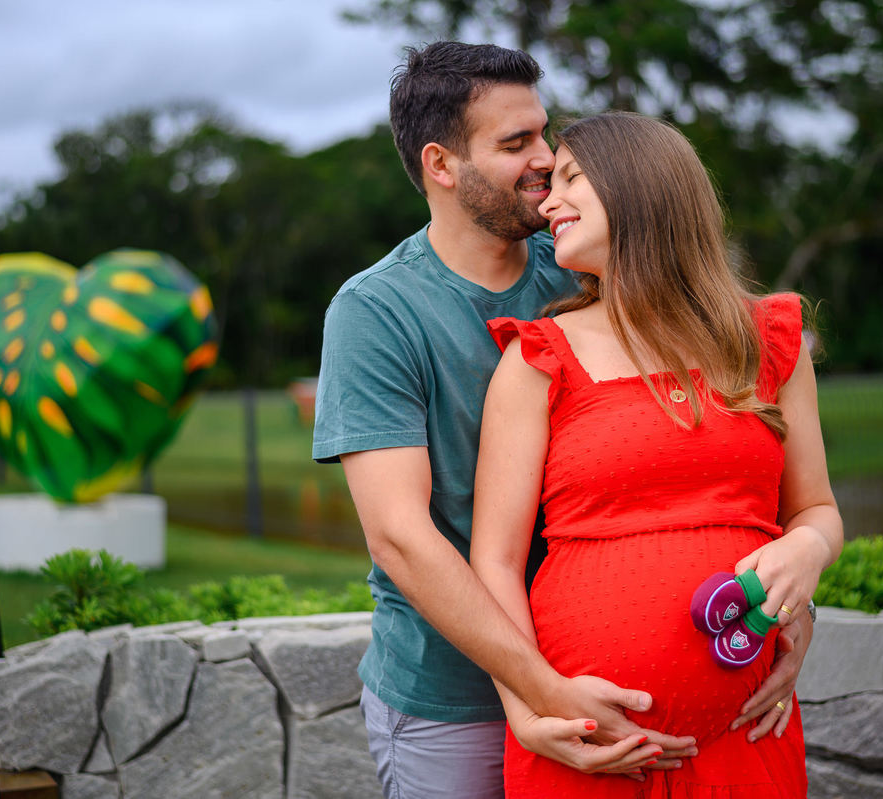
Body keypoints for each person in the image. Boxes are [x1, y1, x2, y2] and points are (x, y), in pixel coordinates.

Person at [312, 42, 814, 799]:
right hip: (455, 698)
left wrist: (787, 597)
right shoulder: (376, 312)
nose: (546, 160)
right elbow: (401, 538)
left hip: (645, 689)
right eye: (516, 144)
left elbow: (718, 457)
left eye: (544, 134)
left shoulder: (582, 259)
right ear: (442, 165)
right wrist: (536, 691)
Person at [471, 111, 844, 797]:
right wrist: (528, 709)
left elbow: (816, 508)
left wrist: (808, 553)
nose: (548, 201)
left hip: (744, 742)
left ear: (641, 186)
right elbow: (493, 559)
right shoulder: (537, 359)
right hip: (587, 751)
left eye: (572, 178)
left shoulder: (766, 341)